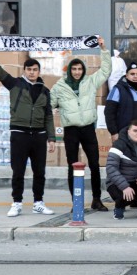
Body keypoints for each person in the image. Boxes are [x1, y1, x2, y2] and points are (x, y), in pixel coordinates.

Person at [0, 49, 55, 217]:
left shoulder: (45, 91)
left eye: (35, 70)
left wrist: (51, 138)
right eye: (29, 69)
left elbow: (48, 116)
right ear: (24, 71)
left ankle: (38, 203)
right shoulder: (15, 84)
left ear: (39, 72)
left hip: (39, 135)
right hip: (19, 133)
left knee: (40, 171)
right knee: (18, 171)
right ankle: (16, 203)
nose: (32, 72)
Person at [51, 37, 112, 212]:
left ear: (83, 70)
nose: (77, 72)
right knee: (72, 166)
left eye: (79, 69)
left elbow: (106, 70)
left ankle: (96, 199)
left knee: (94, 164)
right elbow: (49, 105)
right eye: (74, 69)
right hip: (71, 130)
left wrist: (103, 50)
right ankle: (75, 202)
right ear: (69, 70)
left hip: (88, 129)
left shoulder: (90, 82)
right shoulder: (59, 87)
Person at [105, 61, 137, 142]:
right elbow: (109, 112)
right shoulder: (117, 89)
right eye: (132, 74)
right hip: (123, 136)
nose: (135, 76)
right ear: (126, 75)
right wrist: (113, 132)